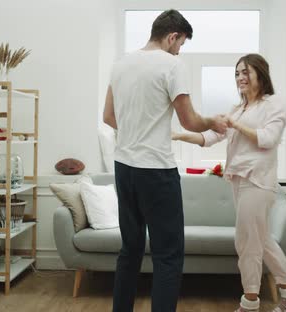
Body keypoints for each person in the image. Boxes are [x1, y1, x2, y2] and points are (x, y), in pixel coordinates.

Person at [103, 9, 228, 312]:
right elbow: (189, 121)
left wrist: (137, 129)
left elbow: (108, 117)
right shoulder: (172, 65)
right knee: (168, 256)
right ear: (173, 36)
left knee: (130, 250)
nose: (180, 49)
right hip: (156, 172)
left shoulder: (120, 65)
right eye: (181, 43)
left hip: (123, 168)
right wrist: (213, 121)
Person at [172, 54, 286, 312]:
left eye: (246, 72)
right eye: (237, 73)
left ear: (261, 73)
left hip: (258, 181)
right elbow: (209, 137)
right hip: (238, 181)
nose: (240, 77)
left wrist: (235, 123)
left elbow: (268, 138)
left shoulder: (274, 103)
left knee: (247, 242)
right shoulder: (237, 109)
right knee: (260, 238)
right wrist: (179, 135)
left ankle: (251, 302)